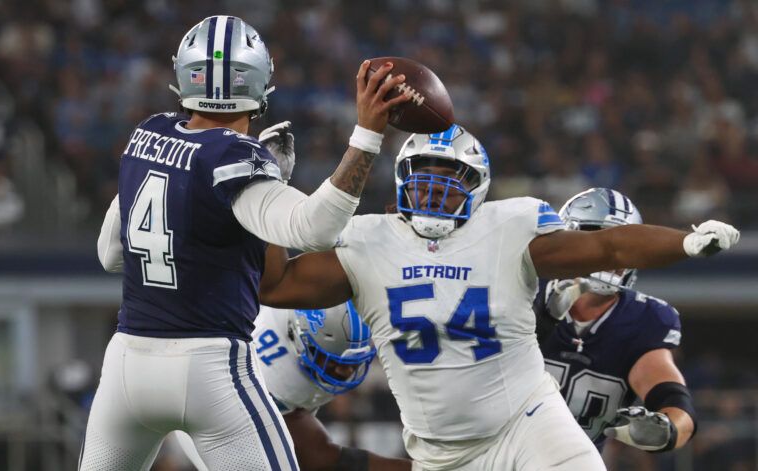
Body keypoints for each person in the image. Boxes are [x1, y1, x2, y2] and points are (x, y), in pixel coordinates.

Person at [257, 124, 740, 470]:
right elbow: (274, 286)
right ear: (402, 180)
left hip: (526, 419)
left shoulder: (509, 230)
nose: (434, 189)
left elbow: (607, 245)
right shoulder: (367, 241)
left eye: (450, 178)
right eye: (423, 175)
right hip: (439, 450)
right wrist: (269, 195)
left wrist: (684, 241)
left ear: (479, 187)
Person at [81, 15, 411, 471]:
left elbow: (109, 254)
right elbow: (313, 228)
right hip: (209, 367)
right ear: (261, 83)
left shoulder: (147, 134)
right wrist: (368, 135)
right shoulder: (238, 159)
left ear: (183, 76)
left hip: (126, 365)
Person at [535, 188, 696, 453]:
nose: (608, 255)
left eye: (620, 245)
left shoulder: (644, 320)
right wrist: (540, 322)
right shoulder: (526, 292)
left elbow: (671, 395)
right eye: (595, 240)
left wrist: (668, 430)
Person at [174, 301, 412, 470]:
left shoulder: (292, 302)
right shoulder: (278, 378)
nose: (346, 371)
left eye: (352, 363)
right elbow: (323, 459)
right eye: (335, 362)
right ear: (299, 340)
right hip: (213, 417)